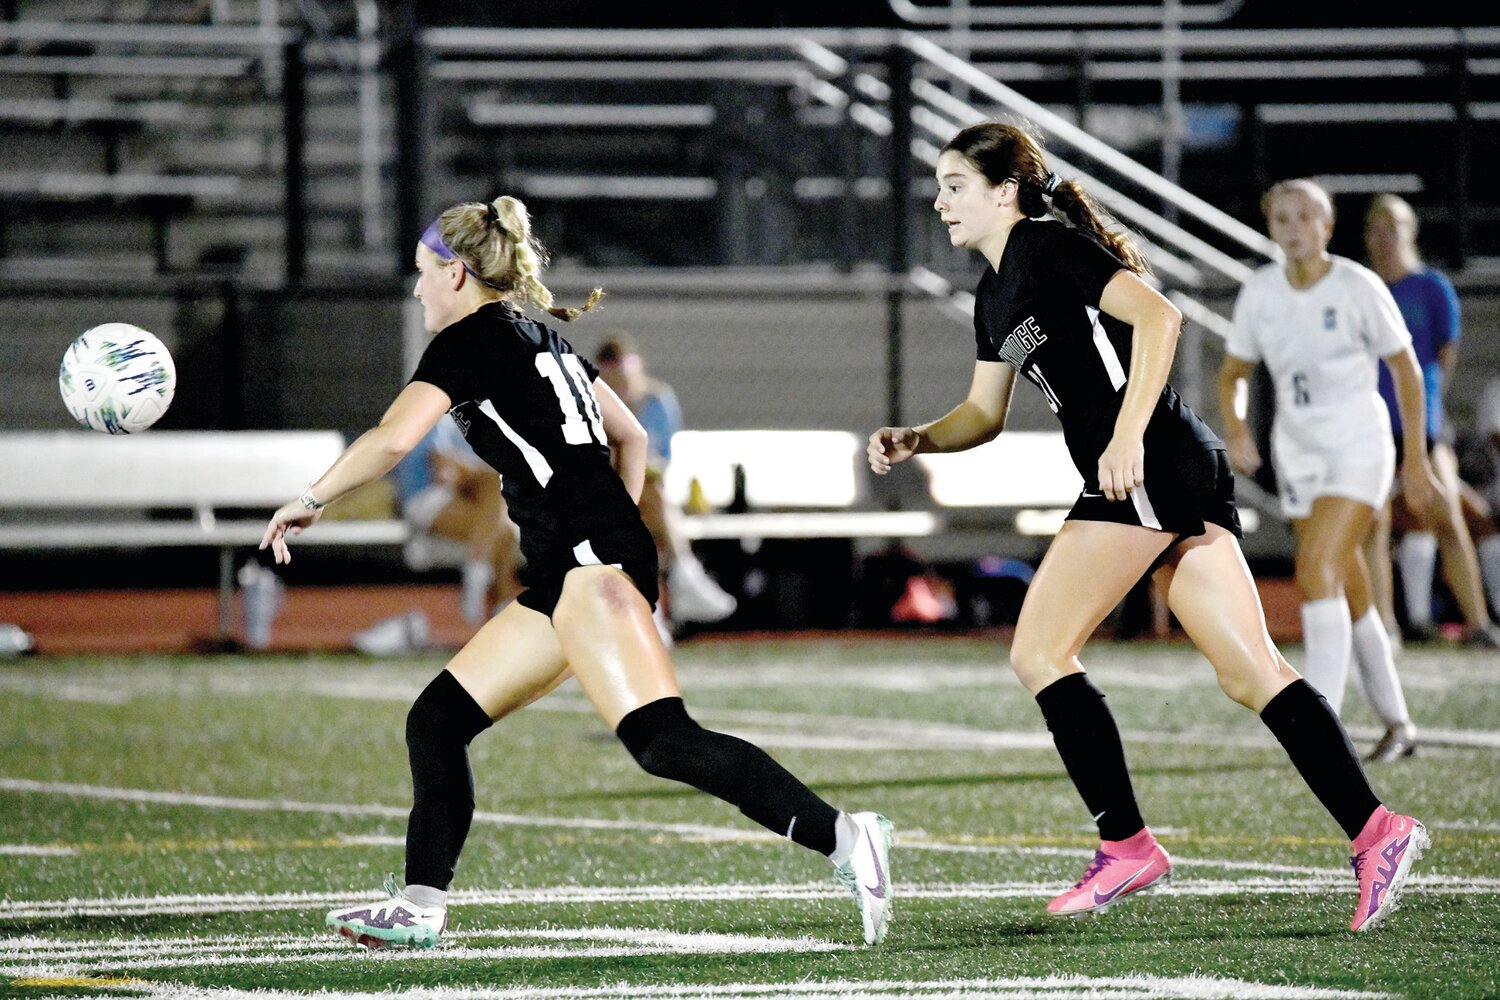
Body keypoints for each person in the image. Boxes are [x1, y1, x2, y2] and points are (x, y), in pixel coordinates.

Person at [259, 194, 892, 950]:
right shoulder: (540, 338)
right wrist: (609, 522)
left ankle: (850, 839)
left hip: (589, 566)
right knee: (437, 721)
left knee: (663, 741)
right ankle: (422, 906)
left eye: (424, 274)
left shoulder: (468, 341)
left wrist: (310, 499)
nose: (418, 288)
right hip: (575, 570)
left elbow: (395, 439)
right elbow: (626, 436)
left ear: (458, 275)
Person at [869, 122, 1426, 932]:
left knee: (1039, 649)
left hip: (1150, 465)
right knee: (1250, 673)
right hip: (1162, 470)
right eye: (941, 186)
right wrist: (921, 435)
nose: (941, 200)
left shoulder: (1048, 248)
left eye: (956, 185)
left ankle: (1127, 845)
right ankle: (1381, 831)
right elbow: (984, 413)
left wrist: (1126, 435)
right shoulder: (994, 293)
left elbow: (1161, 320)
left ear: (1003, 191)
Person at [1219, 179, 1443, 765]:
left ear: (1327, 226)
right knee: (1347, 586)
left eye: (1305, 217)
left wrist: (1416, 461)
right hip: (1298, 452)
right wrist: (1238, 427)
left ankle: (1321, 726)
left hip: (1358, 447)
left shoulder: (1356, 286)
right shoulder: (1261, 292)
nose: (1293, 228)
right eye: (1282, 218)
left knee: (1315, 568)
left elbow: (1408, 371)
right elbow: (1232, 374)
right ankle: (1398, 723)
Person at [1363, 193, 1500, 650]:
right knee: (1374, 522)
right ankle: (1387, 627)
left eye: (1391, 230)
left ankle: (1478, 623)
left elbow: (1445, 357)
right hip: (1374, 424)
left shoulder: (1432, 288)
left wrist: (1423, 411)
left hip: (1423, 425)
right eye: (1374, 231)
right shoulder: (1364, 288)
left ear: (1410, 234)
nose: (1383, 241)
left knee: (1448, 515)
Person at [593, 332, 738, 633]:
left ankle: (654, 609)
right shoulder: (592, 406)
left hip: (643, 497)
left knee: (648, 501)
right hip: (604, 496)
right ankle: (684, 577)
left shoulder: (657, 401)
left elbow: (664, 457)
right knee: (643, 502)